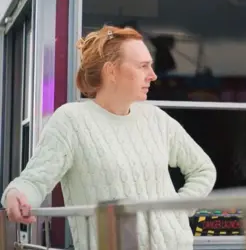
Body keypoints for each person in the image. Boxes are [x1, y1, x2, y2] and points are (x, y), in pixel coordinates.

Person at [1, 25, 217, 250]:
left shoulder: (156, 119)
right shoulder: (71, 120)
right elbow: (35, 180)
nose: (152, 75)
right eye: (143, 66)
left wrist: (176, 209)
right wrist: (16, 194)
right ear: (111, 71)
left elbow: (203, 170)